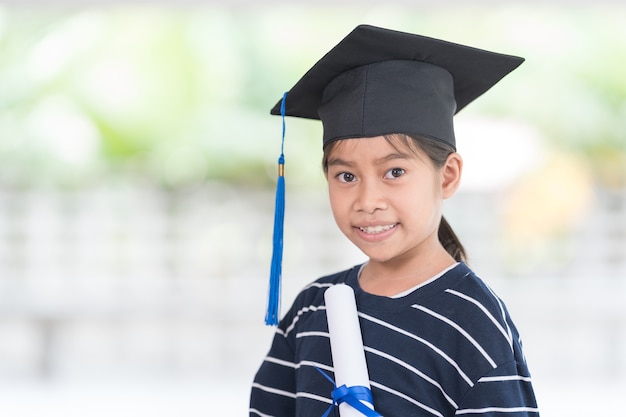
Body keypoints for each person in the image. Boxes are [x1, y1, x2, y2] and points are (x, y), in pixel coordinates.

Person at [250, 24, 540, 417]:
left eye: (395, 172)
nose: (368, 201)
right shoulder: (310, 311)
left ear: (448, 175)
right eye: (346, 176)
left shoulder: (472, 322)